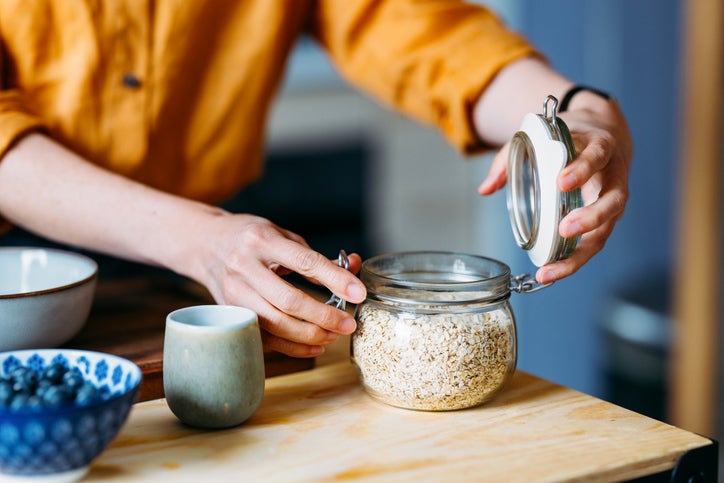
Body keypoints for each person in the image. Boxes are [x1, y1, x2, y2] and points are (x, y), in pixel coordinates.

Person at [0, 1, 632, 358]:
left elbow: (409, 26)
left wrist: (573, 103)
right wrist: (197, 238)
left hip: (210, 263)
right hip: (21, 268)